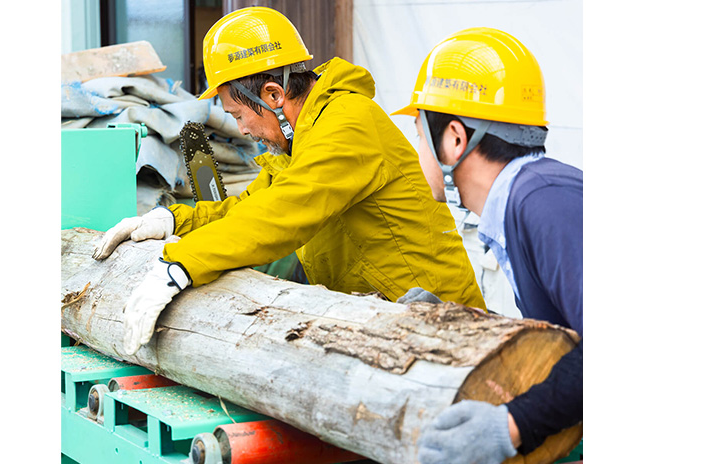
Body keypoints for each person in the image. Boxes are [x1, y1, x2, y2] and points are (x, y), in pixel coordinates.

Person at [92, 7, 486, 356]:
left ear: (273, 94)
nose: (243, 130)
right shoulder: (308, 138)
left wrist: (181, 265)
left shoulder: (348, 123)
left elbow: (283, 214)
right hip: (391, 324)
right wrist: (172, 221)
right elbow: (252, 206)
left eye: (239, 115)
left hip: (447, 329)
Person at [392, 28, 583, 464]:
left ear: (455, 139)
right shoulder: (521, 201)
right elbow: (563, 335)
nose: (419, 155)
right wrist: (460, 324)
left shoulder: (543, 204)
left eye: (420, 135)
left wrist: (510, 426)